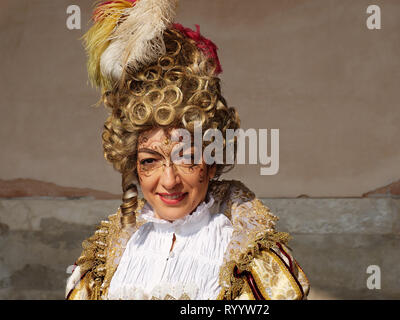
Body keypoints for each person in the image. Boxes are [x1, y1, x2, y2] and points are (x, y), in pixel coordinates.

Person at [66, 0, 309, 300]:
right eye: (150, 161)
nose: (169, 181)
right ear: (132, 165)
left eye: (187, 158)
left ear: (212, 161)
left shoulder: (247, 252)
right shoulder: (106, 258)